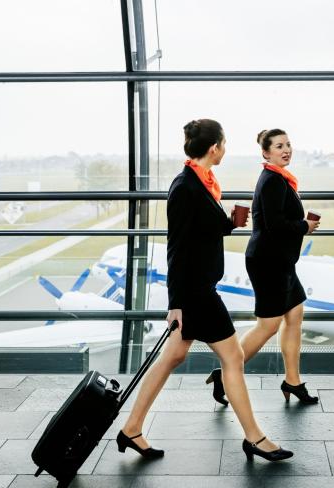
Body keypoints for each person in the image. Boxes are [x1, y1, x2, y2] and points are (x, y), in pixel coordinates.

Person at [117, 119, 293, 462]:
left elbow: (201, 231)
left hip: (198, 288)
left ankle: (132, 429)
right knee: (234, 357)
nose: (225, 149)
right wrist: (176, 303)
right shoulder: (185, 187)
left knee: (174, 356)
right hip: (195, 293)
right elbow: (177, 247)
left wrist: (229, 223)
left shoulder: (201, 182)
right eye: (224, 144)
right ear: (214, 147)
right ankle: (254, 438)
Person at [207, 129, 321, 406]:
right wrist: (304, 226)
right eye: (279, 146)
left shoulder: (280, 179)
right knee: (268, 325)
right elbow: (274, 225)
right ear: (266, 153)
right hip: (268, 262)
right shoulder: (271, 180)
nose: (286, 149)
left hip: (281, 261)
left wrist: (300, 226)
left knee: (294, 316)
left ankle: (292, 381)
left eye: (289, 144)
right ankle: (225, 373)